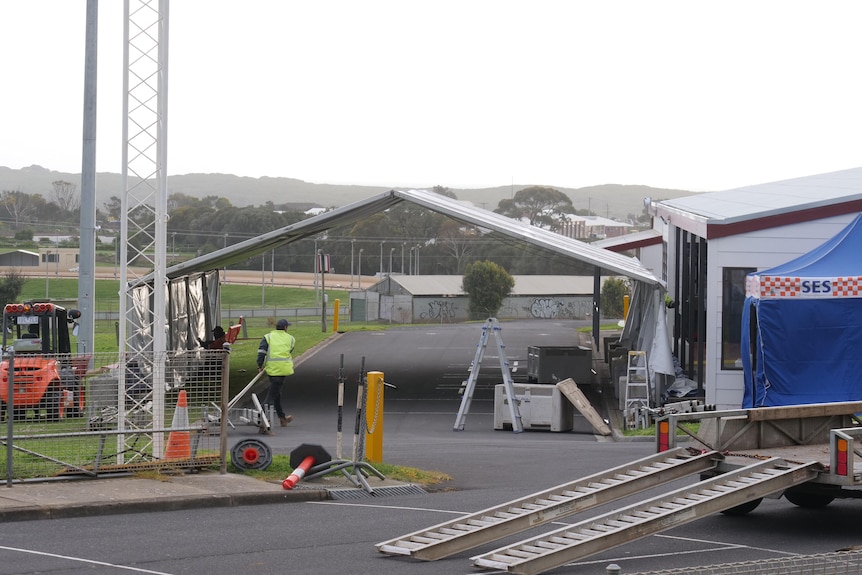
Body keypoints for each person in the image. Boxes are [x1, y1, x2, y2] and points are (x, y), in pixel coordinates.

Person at [257, 319, 296, 427]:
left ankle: (282, 418)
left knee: (276, 393)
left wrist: (259, 365)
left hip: (271, 369)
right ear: (285, 328)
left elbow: (261, 352)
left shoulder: (268, 337)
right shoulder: (291, 339)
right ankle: (261, 419)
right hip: (283, 369)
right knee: (272, 396)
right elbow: (289, 350)